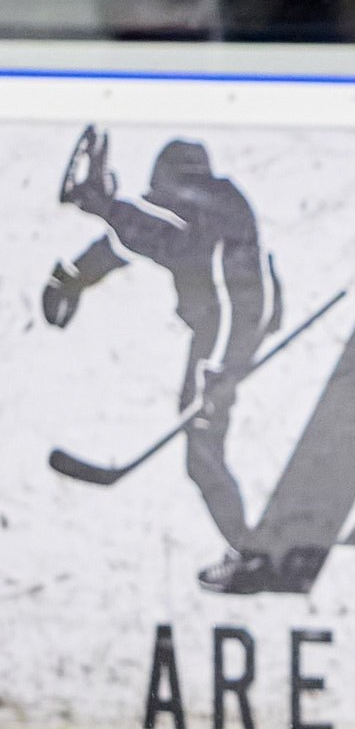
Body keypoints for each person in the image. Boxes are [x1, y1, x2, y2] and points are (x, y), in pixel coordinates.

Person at [43, 129, 281, 592]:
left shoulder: (218, 215)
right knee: (201, 445)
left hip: (228, 336)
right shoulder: (196, 222)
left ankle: (251, 558)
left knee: (202, 446)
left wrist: (220, 371)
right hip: (220, 334)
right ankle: (248, 552)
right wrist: (74, 277)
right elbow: (138, 242)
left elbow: (162, 242)